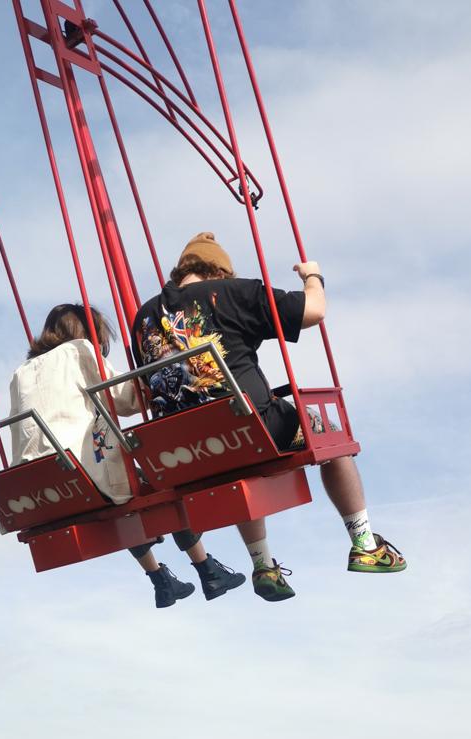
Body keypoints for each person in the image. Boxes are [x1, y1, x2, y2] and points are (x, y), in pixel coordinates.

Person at [131, 234, 406, 601]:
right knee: (328, 434)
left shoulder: (142, 317)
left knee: (235, 465)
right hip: (254, 428)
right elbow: (313, 311)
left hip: (188, 450)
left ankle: (262, 565)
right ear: (218, 271)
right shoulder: (232, 292)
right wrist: (313, 277)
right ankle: (365, 544)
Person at [9, 303, 245, 608]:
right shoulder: (79, 351)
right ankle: (206, 568)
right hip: (81, 469)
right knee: (160, 477)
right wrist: (158, 372)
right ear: (89, 333)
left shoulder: (20, 373)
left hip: (37, 481)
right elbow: (126, 397)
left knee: (124, 498)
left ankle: (161, 580)